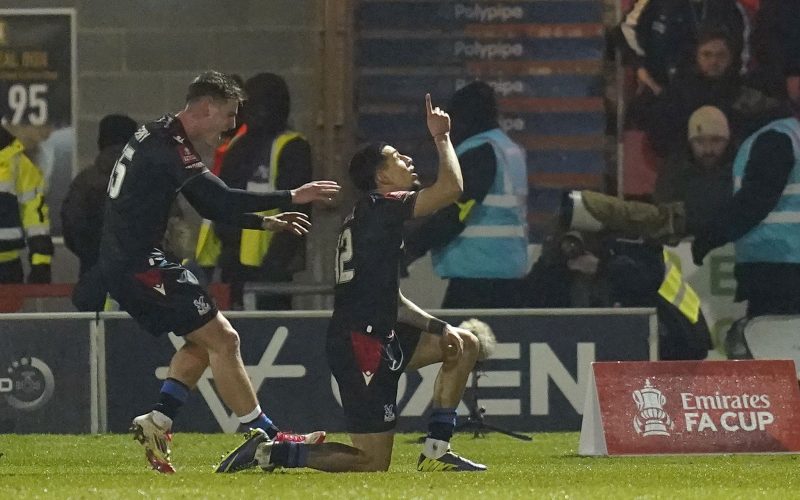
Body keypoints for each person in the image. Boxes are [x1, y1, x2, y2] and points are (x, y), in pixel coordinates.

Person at [215, 94, 493, 474]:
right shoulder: (383, 208)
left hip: (381, 333)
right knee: (371, 463)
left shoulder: (371, 216)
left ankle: (436, 451)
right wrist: (442, 137)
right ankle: (270, 452)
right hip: (362, 345)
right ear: (382, 178)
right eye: (397, 158)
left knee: (463, 343)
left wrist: (438, 327)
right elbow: (450, 190)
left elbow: (391, 300)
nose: (408, 161)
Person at [93, 71, 340, 473]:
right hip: (140, 265)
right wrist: (292, 196)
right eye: (228, 115)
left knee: (202, 342)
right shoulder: (170, 146)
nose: (232, 125)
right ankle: (265, 437)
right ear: (206, 107)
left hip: (131, 262)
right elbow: (219, 199)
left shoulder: (156, 133)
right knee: (224, 339)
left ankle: (159, 420)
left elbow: (209, 206)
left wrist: (264, 223)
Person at [403, 81, 529, 308]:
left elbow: (458, 211)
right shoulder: (508, 149)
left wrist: (410, 249)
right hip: (508, 273)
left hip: (478, 278)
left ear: (464, 118)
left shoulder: (480, 152)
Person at [195, 72, 313, 309]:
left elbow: (297, 213)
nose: (257, 112)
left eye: (265, 105)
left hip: (269, 272)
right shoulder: (237, 146)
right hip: (230, 265)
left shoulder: (292, 148)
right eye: (252, 104)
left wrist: (272, 270)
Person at [692, 88, 800, 319]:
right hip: (783, 266)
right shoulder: (790, 135)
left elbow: (755, 199)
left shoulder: (773, 138)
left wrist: (709, 236)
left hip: (779, 266)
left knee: (771, 335)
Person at [61, 114, 138, 277]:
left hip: (94, 270)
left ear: (101, 141)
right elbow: (172, 226)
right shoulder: (151, 179)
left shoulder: (86, 181)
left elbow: (71, 223)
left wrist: (90, 254)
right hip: (141, 273)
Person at [0, 125, 53, 283]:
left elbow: (35, 215)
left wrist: (41, 261)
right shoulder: (16, 160)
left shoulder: (17, 162)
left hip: (6, 267)